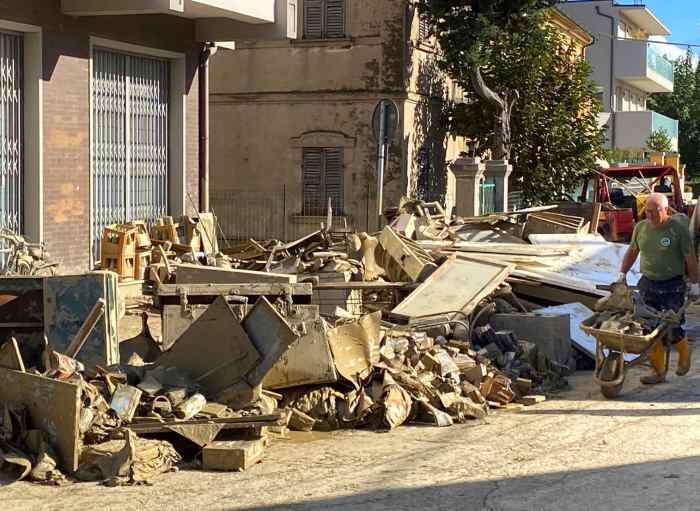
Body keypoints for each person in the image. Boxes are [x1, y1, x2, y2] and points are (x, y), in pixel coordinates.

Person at [619, 193, 700, 384]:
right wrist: (622, 274)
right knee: (649, 328)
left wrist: (695, 284)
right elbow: (632, 252)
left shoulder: (678, 229)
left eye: (655, 211)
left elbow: (690, 258)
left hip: (673, 285)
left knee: (672, 326)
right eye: (647, 210)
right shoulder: (640, 228)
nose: (650, 215)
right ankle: (658, 372)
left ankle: (684, 355)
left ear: (665, 210)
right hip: (648, 283)